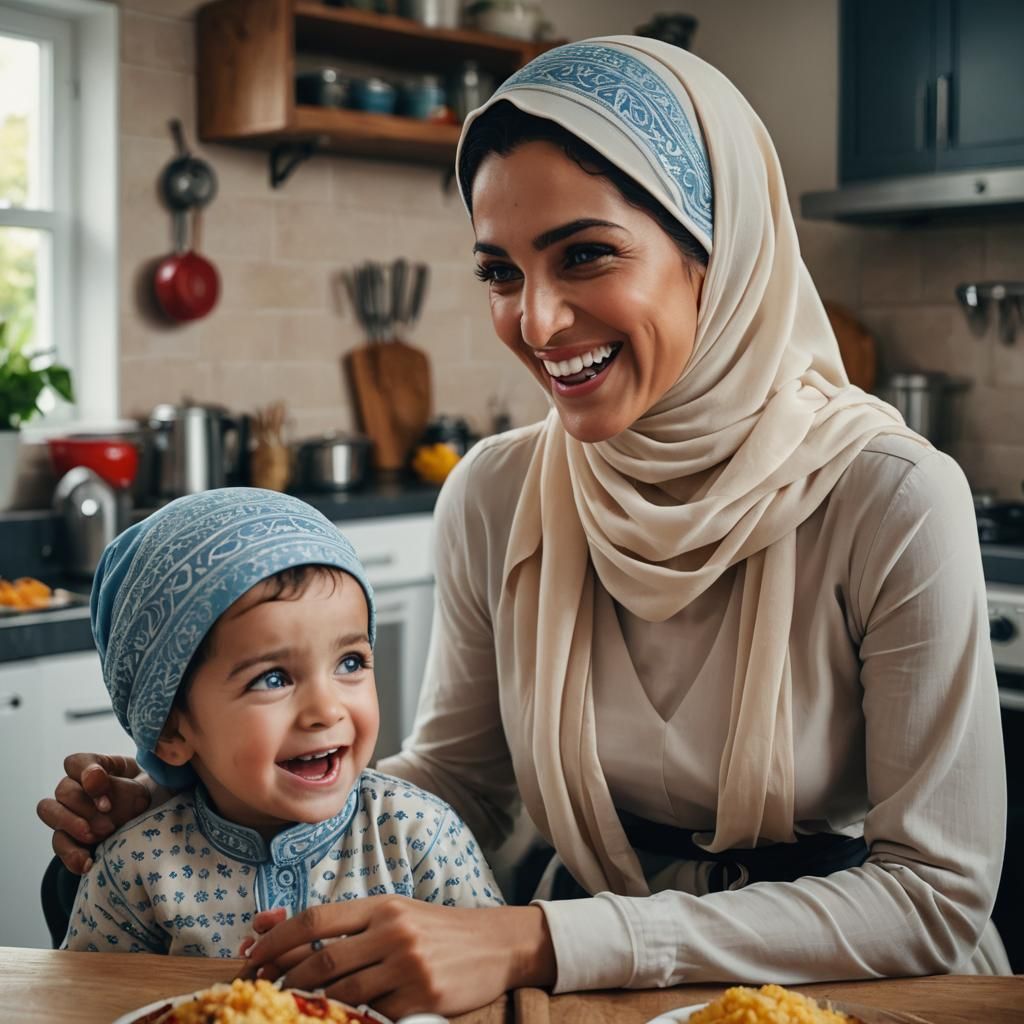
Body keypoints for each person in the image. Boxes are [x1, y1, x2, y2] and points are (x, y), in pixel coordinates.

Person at [39, 36, 1007, 1015]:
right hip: (593, 994)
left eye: (584, 254)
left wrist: (544, 934)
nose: (536, 323)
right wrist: (196, 808)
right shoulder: (495, 493)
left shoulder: (890, 495)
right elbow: (459, 783)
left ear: (718, 250)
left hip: (861, 990)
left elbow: (935, 893)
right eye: (499, 272)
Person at [60, 488, 502, 960]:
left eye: (350, 663)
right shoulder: (134, 870)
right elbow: (87, 1003)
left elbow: (500, 982)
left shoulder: (423, 836)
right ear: (172, 730)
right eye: (273, 678)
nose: (325, 710)